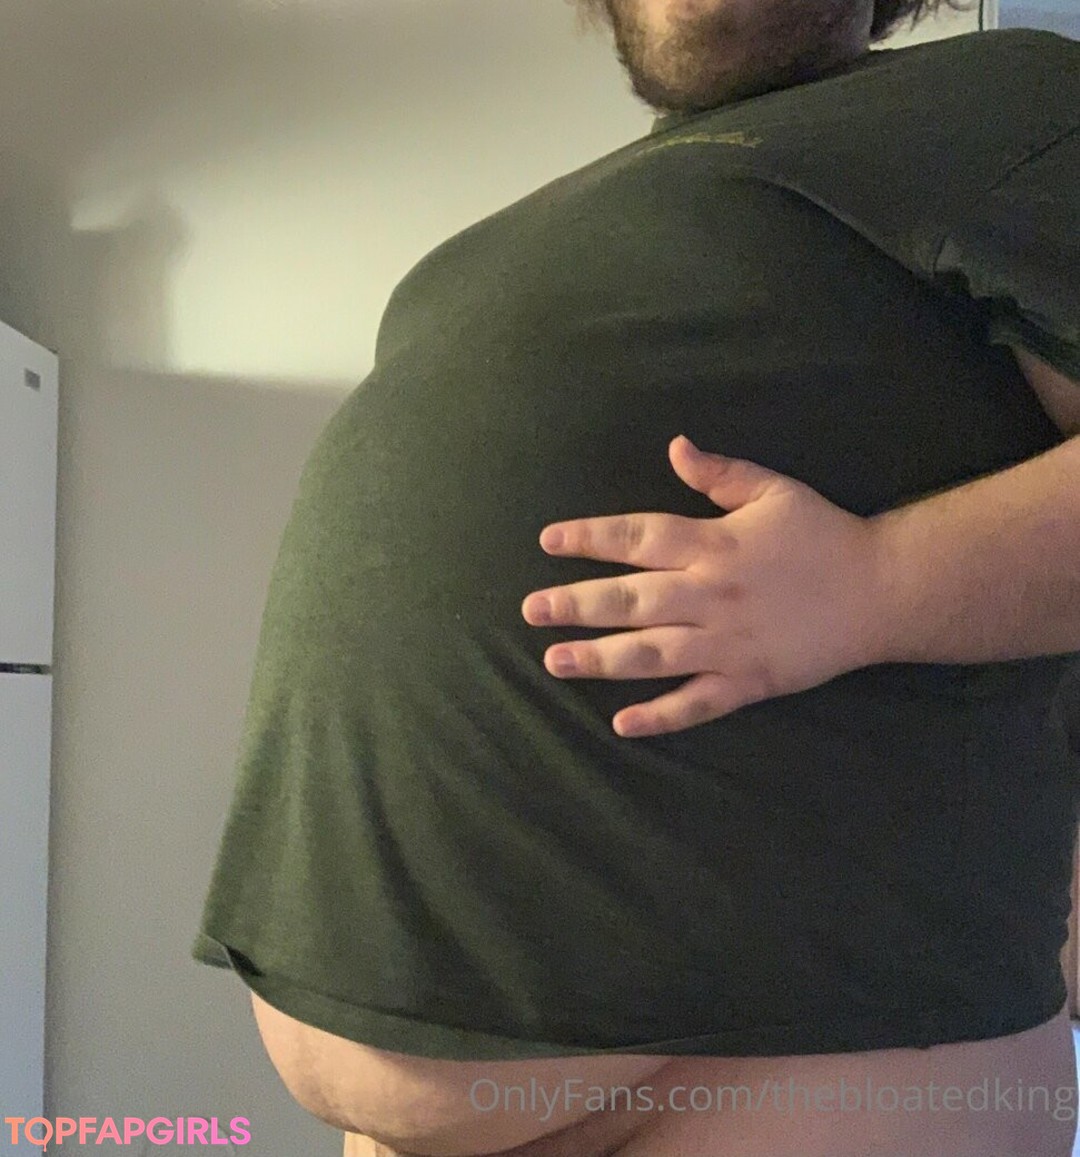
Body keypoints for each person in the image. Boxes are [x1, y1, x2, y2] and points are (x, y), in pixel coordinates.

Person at [192, 1, 1080, 1154]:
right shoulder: (494, 244)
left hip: (797, 1062)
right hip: (403, 1088)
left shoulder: (1004, 101)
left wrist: (876, 581)